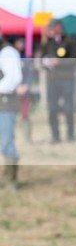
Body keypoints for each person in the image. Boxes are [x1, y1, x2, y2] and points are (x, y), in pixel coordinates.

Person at [41, 18, 76, 143]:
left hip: (67, 79)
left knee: (68, 108)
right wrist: (46, 63)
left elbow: (74, 61)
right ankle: (55, 136)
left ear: (59, 27)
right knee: (52, 109)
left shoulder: (69, 41)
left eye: (53, 27)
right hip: (52, 80)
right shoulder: (48, 43)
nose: (51, 30)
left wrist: (59, 62)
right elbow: (42, 60)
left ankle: (70, 135)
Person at [0, 29, 25, 189]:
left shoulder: (7, 52)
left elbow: (14, 78)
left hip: (5, 102)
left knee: (6, 141)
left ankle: (11, 180)